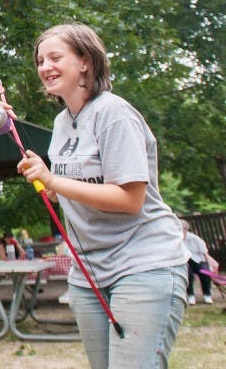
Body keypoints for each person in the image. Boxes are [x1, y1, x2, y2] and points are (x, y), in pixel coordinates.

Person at [17, 23, 189, 369]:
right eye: (40, 60)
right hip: (88, 273)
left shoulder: (114, 113)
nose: (45, 67)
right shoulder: (63, 123)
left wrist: (55, 179)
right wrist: (51, 188)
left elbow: (130, 200)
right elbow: (80, 189)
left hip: (143, 265)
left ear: (85, 61)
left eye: (55, 57)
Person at [181, 219, 218, 305]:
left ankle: (207, 295)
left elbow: (205, 254)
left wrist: (210, 266)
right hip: (185, 262)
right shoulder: (177, 239)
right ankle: (190, 296)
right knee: (187, 274)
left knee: (205, 273)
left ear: (186, 229)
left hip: (199, 261)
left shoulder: (195, 239)